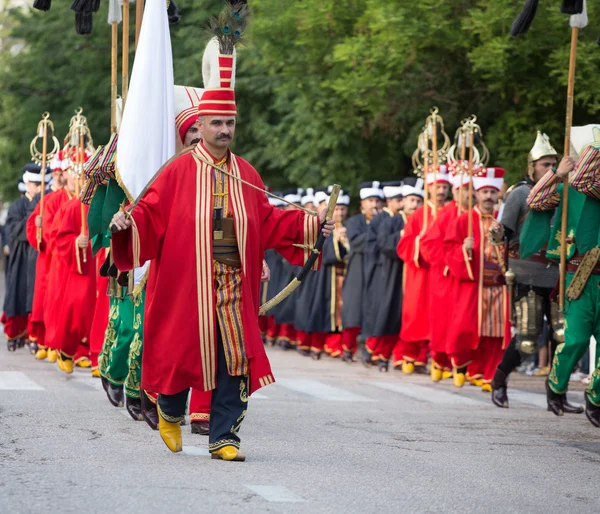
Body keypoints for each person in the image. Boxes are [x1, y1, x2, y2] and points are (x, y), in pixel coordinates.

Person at [111, 35, 335, 461]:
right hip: (185, 286)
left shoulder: (246, 172)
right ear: (203, 124)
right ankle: (170, 412)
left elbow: (268, 220)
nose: (225, 130)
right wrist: (125, 226)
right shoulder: (176, 171)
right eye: (216, 123)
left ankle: (225, 436)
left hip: (234, 284)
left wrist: (311, 224)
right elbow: (149, 217)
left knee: (235, 359)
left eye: (230, 123)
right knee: (179, 358)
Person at [490, 133, 574, 409]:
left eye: (553, 163)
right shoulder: (520, 193)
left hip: (557, 272)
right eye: (544, 164)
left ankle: (556, 395)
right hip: (526, 271)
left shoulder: (564, 192)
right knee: (527, 337)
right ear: (532, 167)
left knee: (561, 335)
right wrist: (497, 232)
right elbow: (504, 234)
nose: (550, 168)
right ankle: (500, 381)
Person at [523, 129, 598, 423]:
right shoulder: (570, 185)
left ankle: (596, 400)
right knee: (577, 339)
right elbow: (534, 200)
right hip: (579, 274)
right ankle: (555, 386)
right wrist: (556, 172)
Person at [444, 168, 511, 391]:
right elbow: (447, 248)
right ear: (477, 193)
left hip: (499, 285)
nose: (489, 196)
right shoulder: (464, 220)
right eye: (485, 192)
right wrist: (463, 249)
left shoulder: (505, 219)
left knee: (496, 332)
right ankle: (463, 364)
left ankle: (490, 374)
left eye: (493, 191)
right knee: (466, 330)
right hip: (473, 284)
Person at [419, 167, 472, 382]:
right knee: (443, 322)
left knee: (466, 321)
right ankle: (440, 360)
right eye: (463, 189)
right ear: (456, 191)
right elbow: (428, 245)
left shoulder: (477, 215)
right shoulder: (446, 215)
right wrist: (453, 258)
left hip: (468, 278)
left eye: (470, 189)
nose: (468, 194)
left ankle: (467, 364)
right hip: (446, 276)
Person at [395, 169, 450, 374]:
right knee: (416, 313)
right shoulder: (419, 214)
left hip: (441, 272)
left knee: (439, 315)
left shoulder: (450, 212)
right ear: (429, 188)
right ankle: (410, 355)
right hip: (419, 272)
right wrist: (422, 242)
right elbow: (404, 245)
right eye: (438, 187)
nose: (441, 191)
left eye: (445, 187)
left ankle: (436, 359)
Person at [44, 161, 96, 374]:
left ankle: (95, 355)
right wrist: (77, 242)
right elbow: (59, 237)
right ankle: (67, 350)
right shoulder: (75, 207)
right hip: (81, 266)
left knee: (99, 312)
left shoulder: (108, 205)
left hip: (102, 266)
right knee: (77, 311)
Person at [3, 165, 46, 351]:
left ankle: (34, 335)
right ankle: (15, 334)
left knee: (35, 294)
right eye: (35, 183)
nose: (37, 187)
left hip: (36, 254)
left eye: (40, 183)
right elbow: (12, 230)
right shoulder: (16, 206)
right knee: (18, 292)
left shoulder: (43, 203)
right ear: (28, 183)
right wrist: (31, 222)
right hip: (21, 255)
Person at [339, 182, 382, 361]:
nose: (374, 204)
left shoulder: (384, 219)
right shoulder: (354, 221)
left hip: (378, 270)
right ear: (362, 203)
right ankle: (348, 348)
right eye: (370, 200)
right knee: (353, 310)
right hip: (357, 270)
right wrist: (378, 237)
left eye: (377, 200)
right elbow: (357, 242)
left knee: (375, 310)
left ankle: (371, 351)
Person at [367, 181, 406, 371]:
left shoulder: (403, 218)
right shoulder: (383, 220)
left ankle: (392, 354)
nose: (403, 203)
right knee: (385, 312)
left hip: (399, 270)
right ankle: (377, 351)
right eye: (400, 199)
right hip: (384, 270)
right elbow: (381, 245)